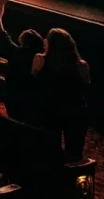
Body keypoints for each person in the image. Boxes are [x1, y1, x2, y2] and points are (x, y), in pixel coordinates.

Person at [32, 28, 90, 161]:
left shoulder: (40, 60)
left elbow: (34, 78)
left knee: (51, 149)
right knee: (75, 152)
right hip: (76, 111)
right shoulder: (82, 65)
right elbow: (86, 85)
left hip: (51, 110)